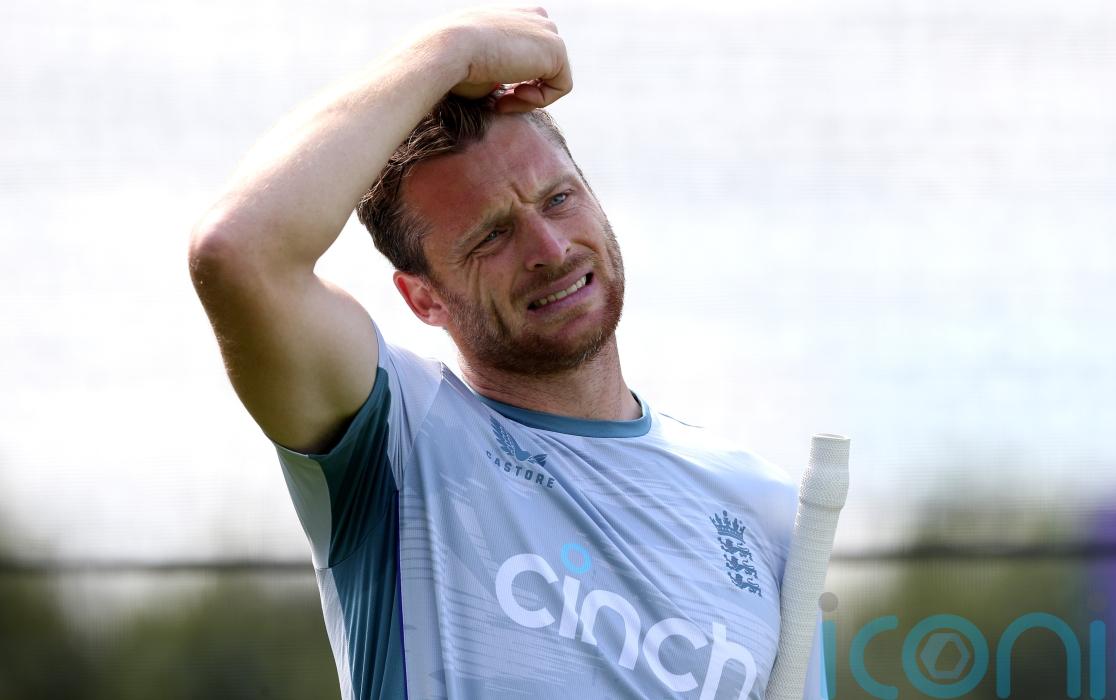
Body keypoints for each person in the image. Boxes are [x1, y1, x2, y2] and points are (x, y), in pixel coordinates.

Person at [188, 6, 827, 699]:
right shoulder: (398, 437)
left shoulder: (761, 504)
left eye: (559, 199)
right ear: (423, 298)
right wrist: (448, 51)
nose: (550, 249)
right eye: (490, 236)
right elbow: (238, 251)